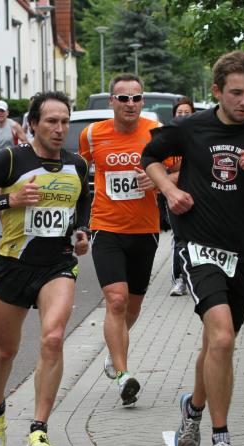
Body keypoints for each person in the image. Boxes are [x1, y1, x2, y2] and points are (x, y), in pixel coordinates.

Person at [142, 51, 244, 446]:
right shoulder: (192, 128)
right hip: (198, 246)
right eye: (235, 93)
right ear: (217, 91)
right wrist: (169, 191)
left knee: (217, 344)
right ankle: (222, 440)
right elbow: (149, 157)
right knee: (224, 338)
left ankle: (192, 409)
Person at [0, 91, 90, 446]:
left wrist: (83, 232)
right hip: (13, 265)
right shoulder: (12, 159)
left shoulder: (77, 165)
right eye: (51, 121)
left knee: (53, 338)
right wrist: (10, 200)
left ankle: (39, 429)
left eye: (64, 121)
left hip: (58, 264)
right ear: (33, 124)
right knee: (6, 351)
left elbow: (83, 201)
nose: (59, 128)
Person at [79, 73, 164, 407]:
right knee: (116, 301)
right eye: (124, 98)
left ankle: (114, 353)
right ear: (111, 101)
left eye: (136, 98)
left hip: (145, 230)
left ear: (143, 101)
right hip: (107, 228)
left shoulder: (156, 134)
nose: (131, 104)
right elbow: (75, 171)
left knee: (132, 306)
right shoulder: (92, 135)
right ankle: (124, 375)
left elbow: (180, 172)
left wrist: (157, 180)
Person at [164, 97, 196, 297]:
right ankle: (179, 280)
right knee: (179, 237)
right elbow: (161, 168)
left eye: (187, 112)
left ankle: (196, 277)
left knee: (197, 237)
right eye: (180, 113)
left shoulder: (200, 137)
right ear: (174, 116)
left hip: (198, 195)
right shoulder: (167, 139)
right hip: (174, 196)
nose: (183, 116)